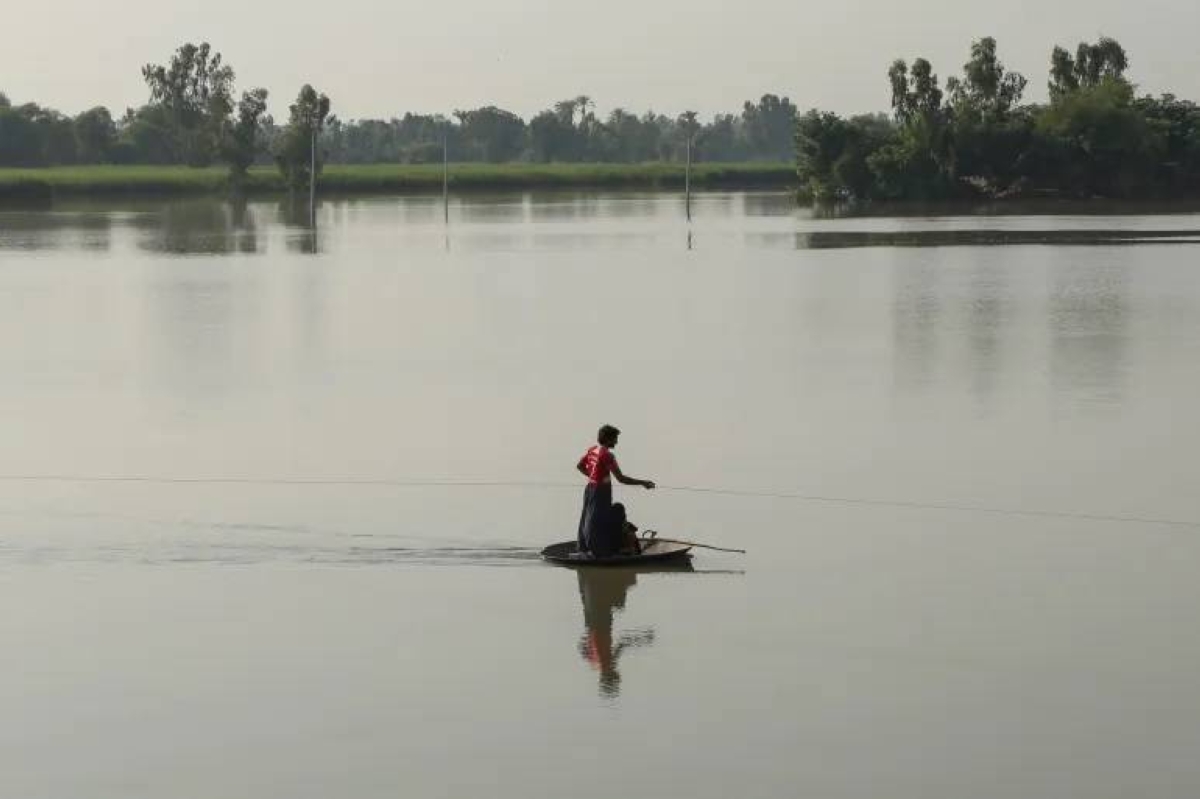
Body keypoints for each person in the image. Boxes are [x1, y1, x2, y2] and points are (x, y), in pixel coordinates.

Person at [576, 425, 655, 556]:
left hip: (590, 489)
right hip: (600, 492)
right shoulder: (607, 455)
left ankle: (585, 546)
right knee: (607, 515)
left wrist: (593, 476)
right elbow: (621, 478)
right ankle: (602, 548)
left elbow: (579, 466)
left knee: (589, 517)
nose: (616, 442)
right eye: (615, 439)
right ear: (608, 439)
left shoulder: (592, 450)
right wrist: (643, 483)